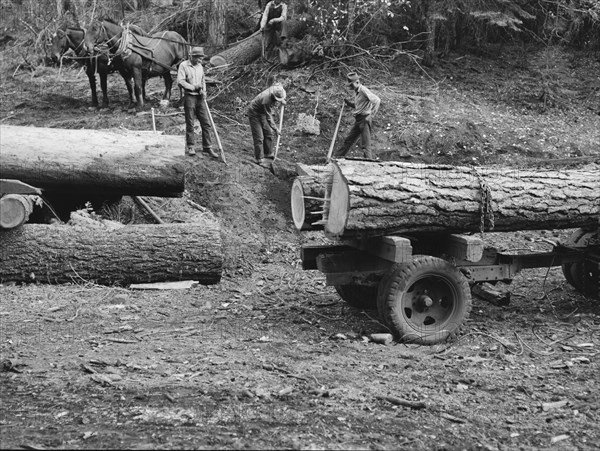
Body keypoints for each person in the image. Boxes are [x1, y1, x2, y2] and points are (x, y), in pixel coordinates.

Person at [177, 46, 219, 158]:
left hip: (200, 98)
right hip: (189, 97)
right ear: (192, 57)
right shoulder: (183, 65)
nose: (200, 61)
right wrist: (193, 87)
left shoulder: (200, 66)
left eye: (201, 58)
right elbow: (180, 81)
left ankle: (207, 147)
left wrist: (204, 91)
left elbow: (202, 80)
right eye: (198, 58)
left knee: (206, 123)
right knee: (190, 123)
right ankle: (191, 146)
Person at [335, 72, 381, 160]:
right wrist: (348, 103)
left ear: (357, 82)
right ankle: (336, 158)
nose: (350, 87)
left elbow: (377, 100)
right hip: (359, 119)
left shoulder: (363, 90)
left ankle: (369, 163)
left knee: (365, 144)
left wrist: (371, 116)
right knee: (348, 140)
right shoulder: (357, 92)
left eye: (351, 85)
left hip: (365, 119)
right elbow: (358, 106)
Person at [248, 84, 286, 165]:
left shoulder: (277, 88)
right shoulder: (266, 99)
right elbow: (269, 117)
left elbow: (279, 93)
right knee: (259, 137)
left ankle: (268, 154)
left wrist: (281, 100)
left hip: (262, 112)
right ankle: (259, 158)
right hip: (254, 112)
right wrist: (276, 129)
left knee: (268, 133)